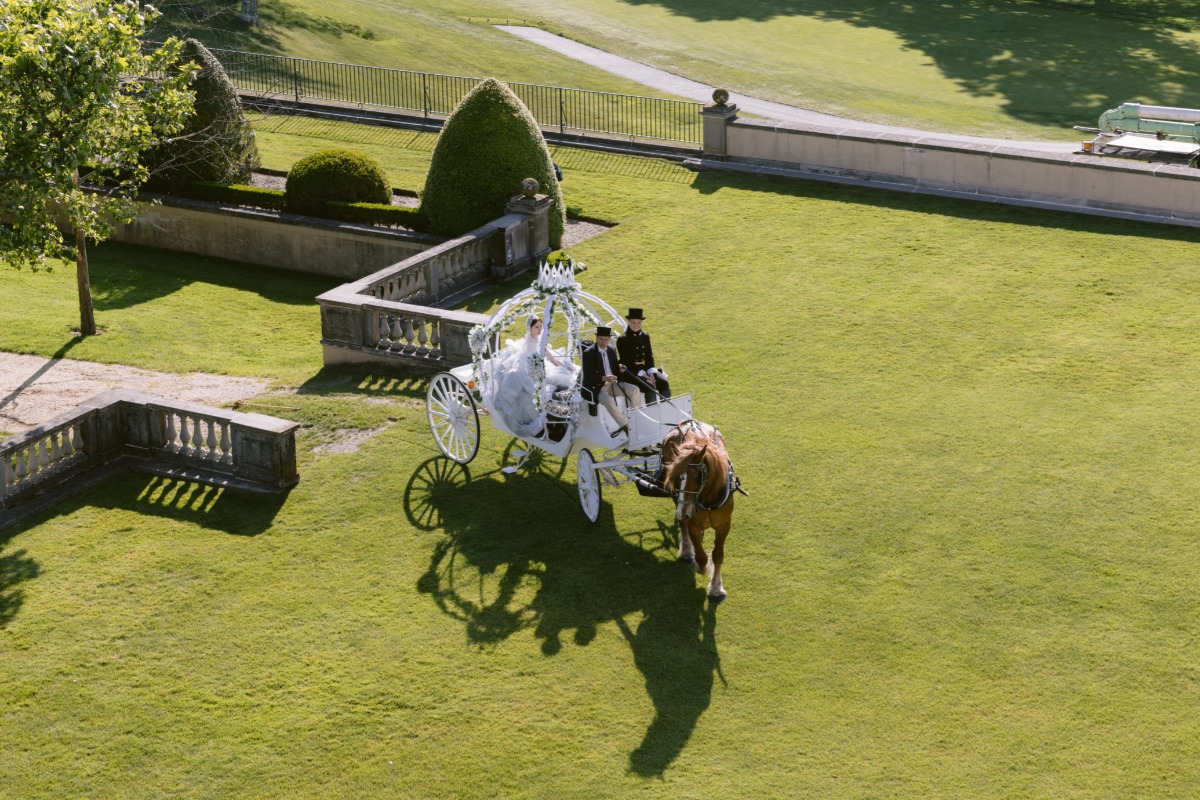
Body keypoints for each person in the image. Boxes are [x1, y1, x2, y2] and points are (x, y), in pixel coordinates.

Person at [494, 315, 576, 438]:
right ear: (530, 329)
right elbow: (526, 358)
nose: (539, 329)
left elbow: (547, 352)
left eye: (540, 327)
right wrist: (537, 369)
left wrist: (557, 364)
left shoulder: (540, 339)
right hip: (530, 365)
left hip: (541, 364)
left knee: (561, 373)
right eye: (536, 327)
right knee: (533, 386)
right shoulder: (529, 342)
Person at [582, 325, 642, 433]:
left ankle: (637, 420)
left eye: (606, 339)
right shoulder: (588, 353)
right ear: (596, 338)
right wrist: (605, 378)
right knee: (608, 401)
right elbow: (589, 377)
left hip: (612, 384)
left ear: (609, 339)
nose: (603, 342)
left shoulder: (611, 350)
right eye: (600, 339)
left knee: (634, 390)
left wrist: (620, 367)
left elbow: (614, 367)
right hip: (597, 388)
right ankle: (627, 427)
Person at [617, 308, 671, 404]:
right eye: (633, 323)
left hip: (645, 369)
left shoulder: (645, 335)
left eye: (638, 323)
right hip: (631, 372)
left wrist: (651, 373)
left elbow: (649, 356)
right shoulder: (623, 339)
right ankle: (652, 411)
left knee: (663, 383)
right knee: (649, 386)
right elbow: (628, 362)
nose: (636, 325)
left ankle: (666, 408)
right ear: (628, 322)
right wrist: (646, 376)